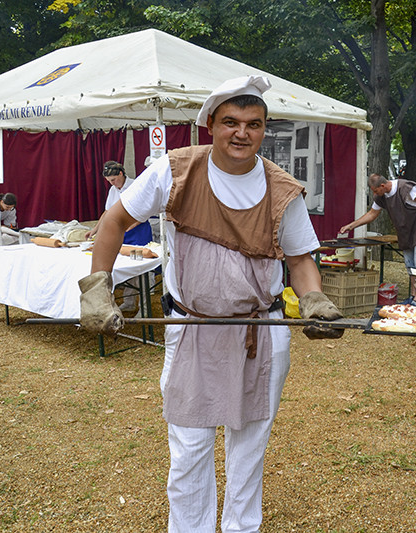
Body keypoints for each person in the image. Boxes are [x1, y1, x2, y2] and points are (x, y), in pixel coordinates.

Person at [78, 75, 343, 532]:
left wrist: (314, 298)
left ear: (264, 129)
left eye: (254, 124)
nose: (242, 133)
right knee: (189, 449)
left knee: (248, 448)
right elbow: (114, 220)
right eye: (231, 122)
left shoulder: (283, 191)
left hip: (260, 333)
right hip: (192, 330)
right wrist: (96, 287)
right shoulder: (175, 171)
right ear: (211, 125)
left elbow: (300, 259)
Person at [339, 173, 416, 306]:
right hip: (405, 233)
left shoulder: (405, 188)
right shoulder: (381, 196)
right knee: (411, 267)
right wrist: (351, 226)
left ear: (383, 185)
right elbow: (372, 214)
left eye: (375, 190)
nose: (375, 193)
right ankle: (413, 297)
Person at [86, 161, 154, 311]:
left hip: (138, 235)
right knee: (125, 267)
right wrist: (95, 230)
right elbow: (107, 213)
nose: (112, 183)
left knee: (140, 269)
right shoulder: (113, 190)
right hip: (124, 234)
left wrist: (129, 226)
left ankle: (144, 308)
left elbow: (145, 212)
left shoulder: (136, 185)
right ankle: (129, 303)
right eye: (109, 181)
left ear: (121, 174)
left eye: (113, 180)